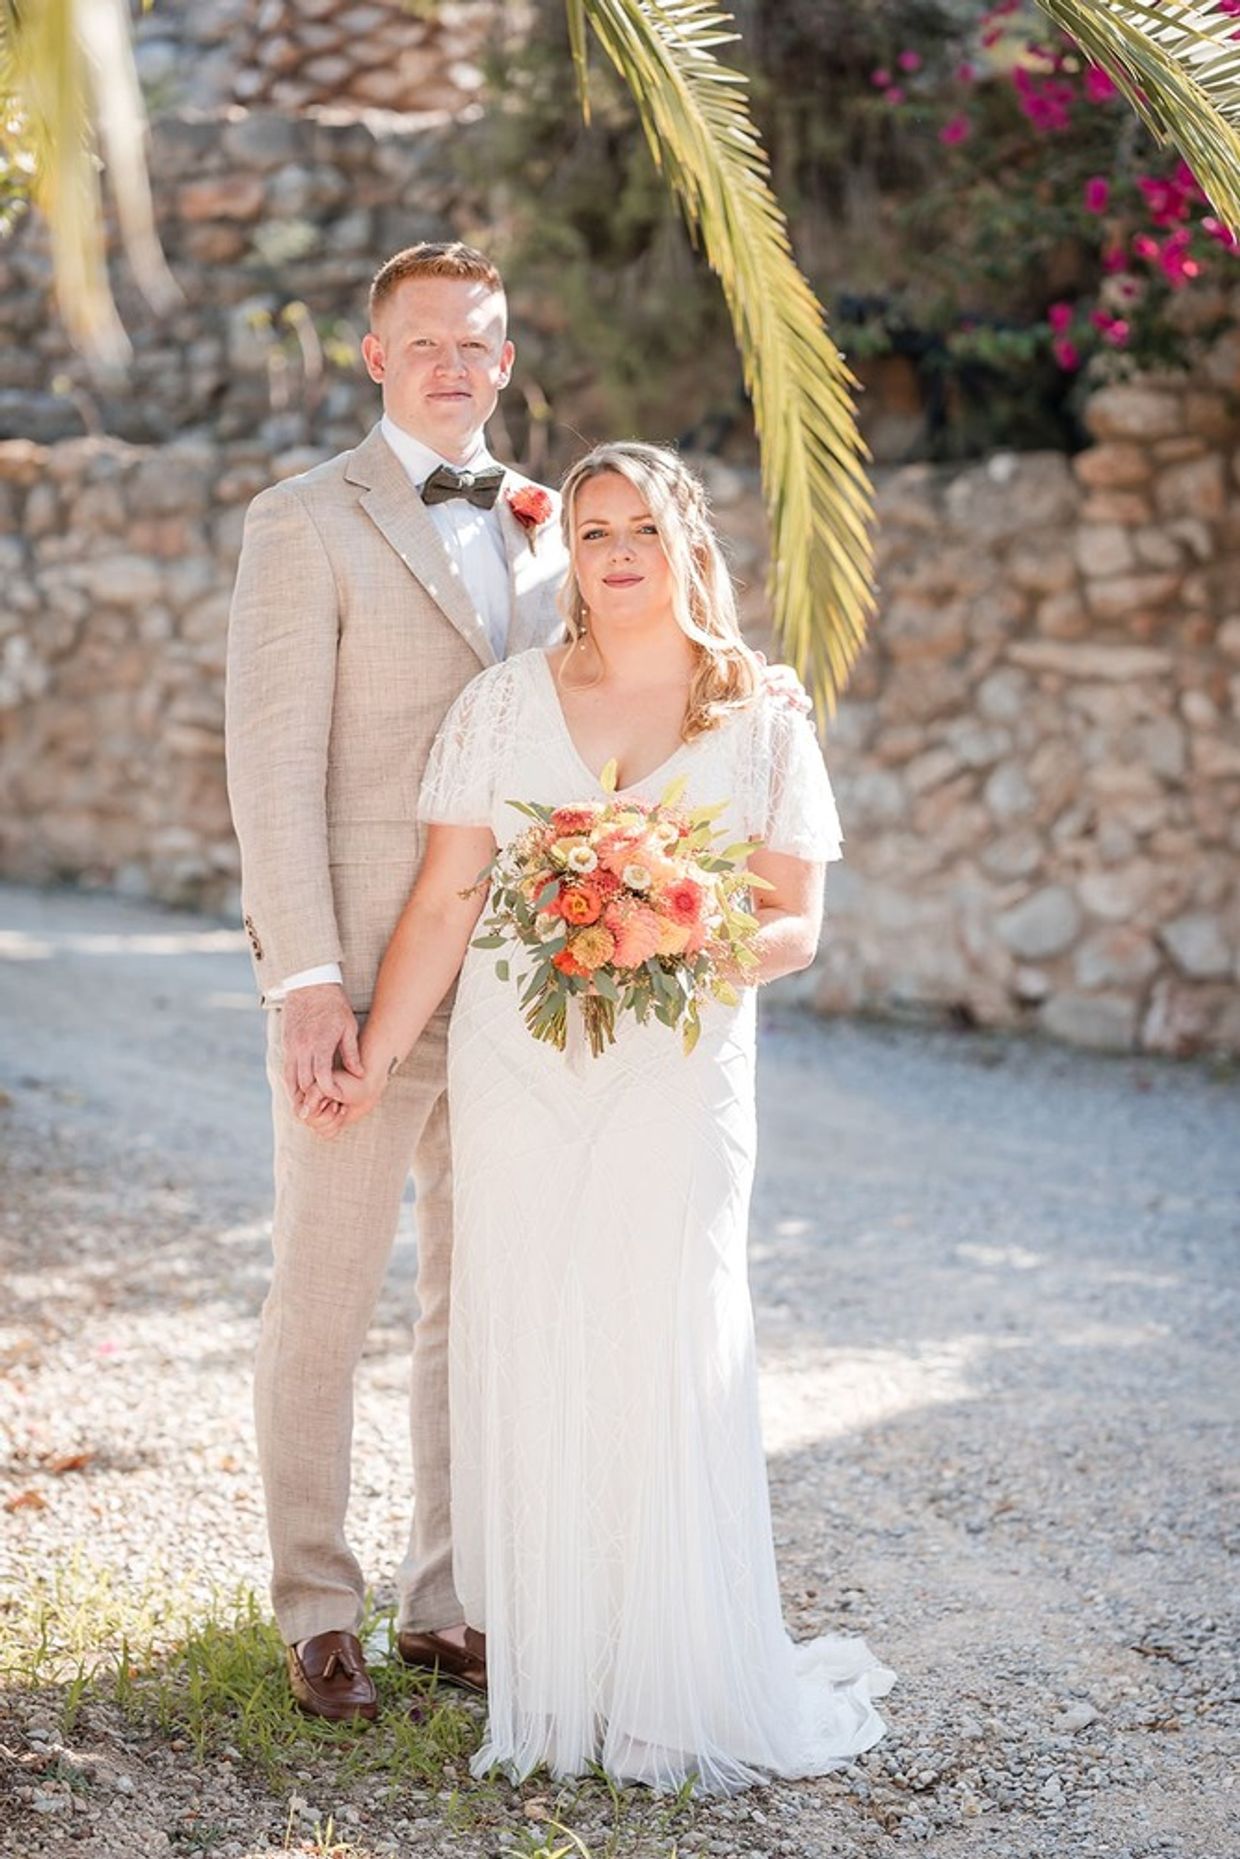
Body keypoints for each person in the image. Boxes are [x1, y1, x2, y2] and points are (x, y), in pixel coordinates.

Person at [306, 442, 895, 1791]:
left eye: (640, 526)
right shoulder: (509, 703)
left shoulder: (756, 712)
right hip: (521, 1070)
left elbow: (796, 922)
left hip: (676, 1074)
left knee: (666, 1334)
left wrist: (673, 928)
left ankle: (675, 1678)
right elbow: (451, 898)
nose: (617, 552)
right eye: (591, 532)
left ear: (685, 539)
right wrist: (377, 1053)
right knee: (538, 1338)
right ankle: (560, 1678)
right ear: (567, 555)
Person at [225, 241, 570, 1719]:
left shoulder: (558, 528)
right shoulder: (303, 522)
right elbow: (270, 769)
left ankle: (446, 1597)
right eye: (423, 340)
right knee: (326, 1284)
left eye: (477, 342)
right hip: (364, 976)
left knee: (472, 1299)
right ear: (374, 357)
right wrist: (307, 981)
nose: (451, 363)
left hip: (522, 983)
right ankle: (315, 1602)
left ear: (504, 360)